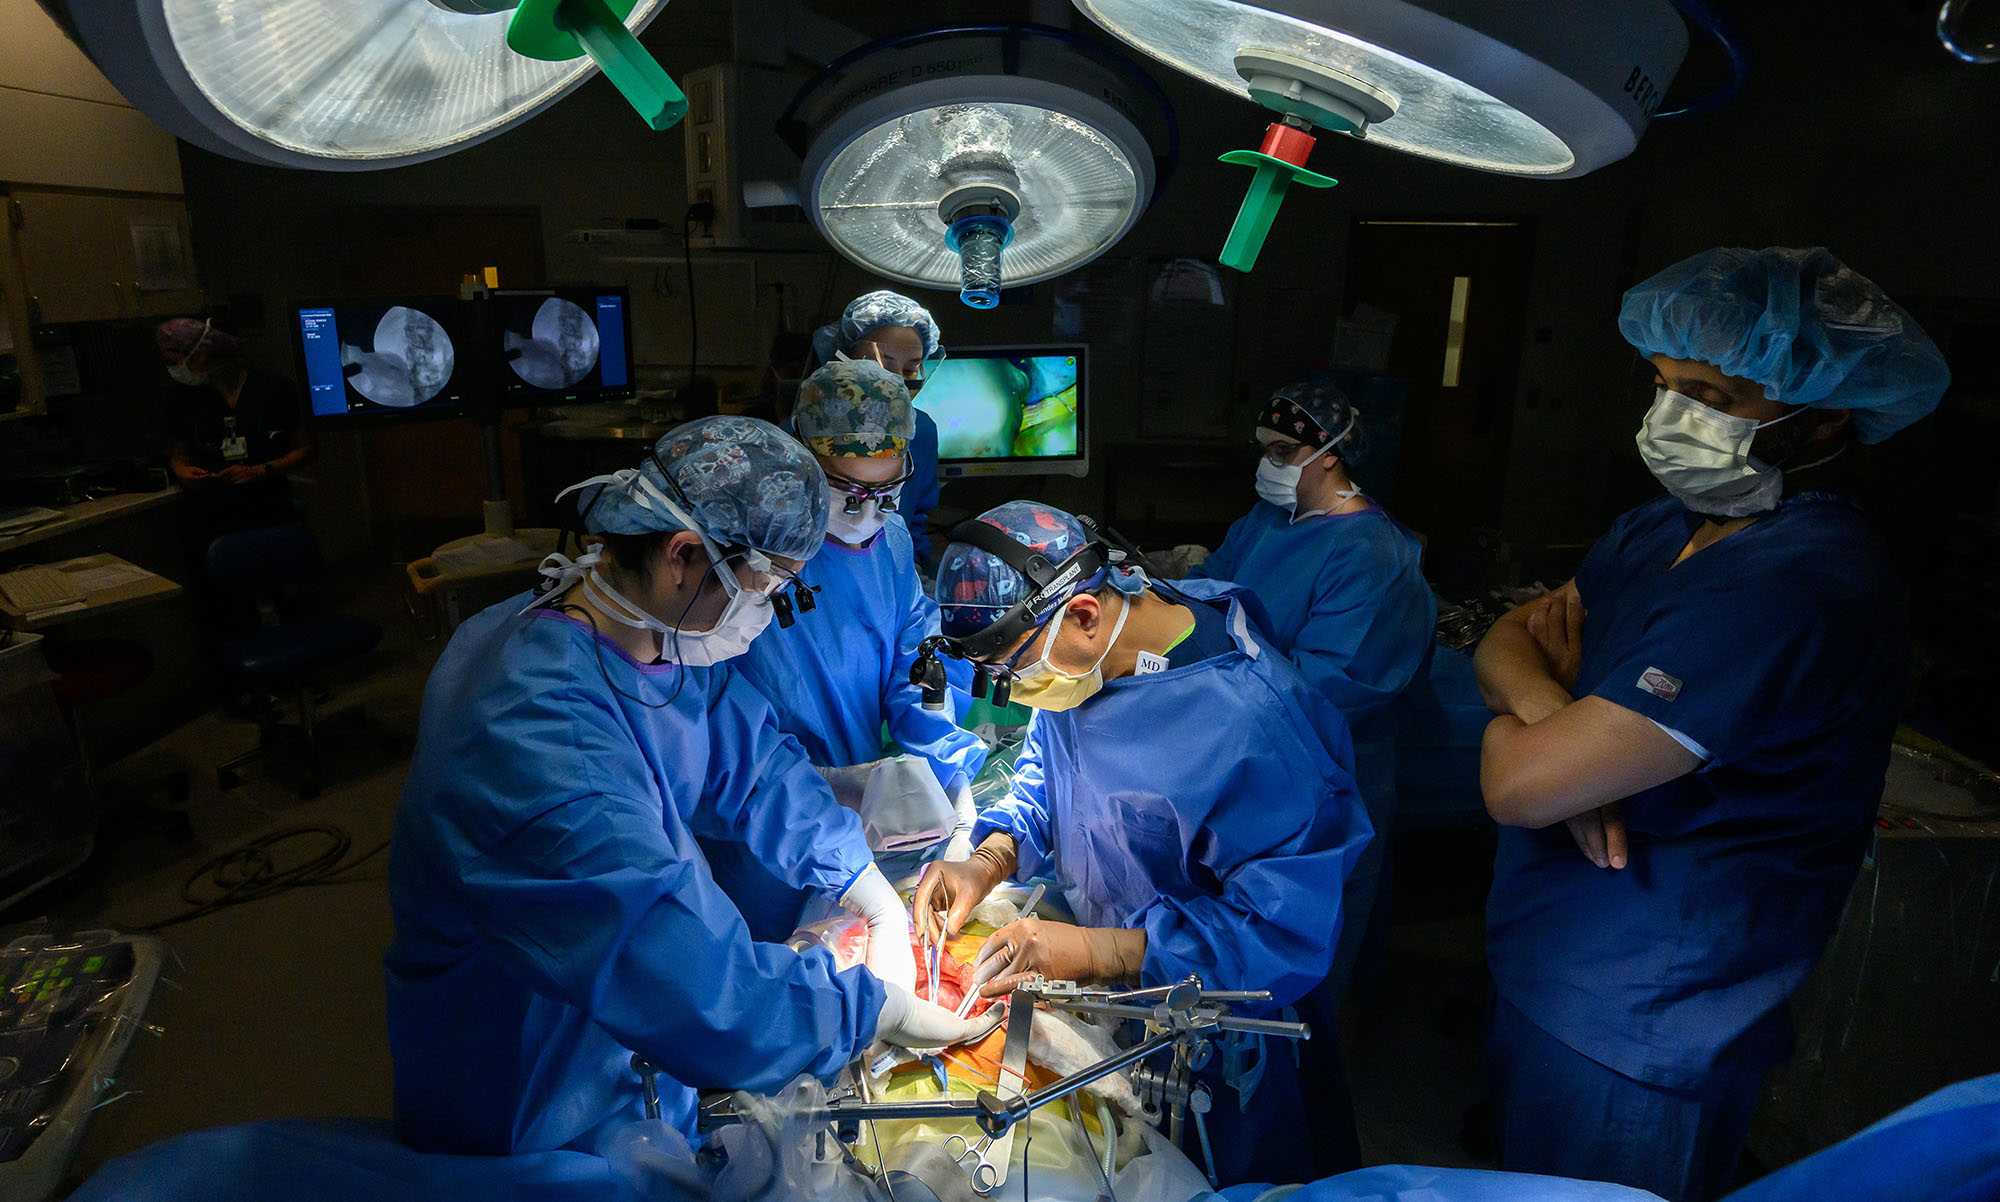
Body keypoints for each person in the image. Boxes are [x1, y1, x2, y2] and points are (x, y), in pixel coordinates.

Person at [1474, 247, 1951, 1202]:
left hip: (1651, 1007)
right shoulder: (1661, 526)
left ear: (1824, 412)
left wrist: (1533, 750)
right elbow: (1503, 641)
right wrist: (1548, 711)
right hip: (1555, 954)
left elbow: (1519, 787)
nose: (1670, 416)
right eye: (1662, 385)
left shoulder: (1801, 583)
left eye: (1710, 396)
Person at [384, 415, 994, 1158]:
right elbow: (693, 985)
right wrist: (865, 1012)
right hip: (528, 1083)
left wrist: (854, 872)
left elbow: (748, 761)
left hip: (630, 1044)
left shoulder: (639, 636)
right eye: (768, 590)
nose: (765, 616)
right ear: (682, 556)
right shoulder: (540, 748)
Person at [911, 501, 1372, 1186]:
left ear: (1084, 616)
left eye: (1014, 674)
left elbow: (1283, 928)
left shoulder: (1250, 723)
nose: (1018, 696)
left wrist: (1101, 953)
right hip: (1122, 1012)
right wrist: (988, 859)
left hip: (1219, 1027)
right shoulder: (1084, 664)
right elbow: (1052, 774)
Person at [712, 360, 990, 940]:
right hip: (756, 835)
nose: (867, 512)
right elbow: (719, 725)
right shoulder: (753, 557)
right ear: (799, 464)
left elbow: (917, 663)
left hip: (858, 828)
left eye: (885, 492)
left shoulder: (890, 543)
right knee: (768, 964)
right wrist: (820, 784)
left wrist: (944, 769)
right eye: (846, 491)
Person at [1190, 379, 1436, 1009]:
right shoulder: (1269, 520)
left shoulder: (1374, 554)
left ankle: (1324, 1046)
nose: (1267, 465)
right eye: (1263, 449)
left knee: (1313, 947)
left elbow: (1325, 687)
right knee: (1243, 932)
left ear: (1330, 454)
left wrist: (1210, 681)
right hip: (1254, 754)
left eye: (1282, 452)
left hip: (1331, 773)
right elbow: (1207, 588)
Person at [813, 291, 945, 569]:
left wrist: (914, 568)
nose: (895, 381)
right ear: (842, 358)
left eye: (909, 371)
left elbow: (915, 518)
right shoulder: (812, 424)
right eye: (881, 365)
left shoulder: (921, 431)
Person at [157, 316, 314, 536]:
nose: (174, 369)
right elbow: (179, 456)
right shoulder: (181, 398)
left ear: (201, 355)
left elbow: (306, 448)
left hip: (271, 511)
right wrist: (182, 471)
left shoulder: (274, 389)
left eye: (175, 361)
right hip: (210, 516)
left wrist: (260, 471)